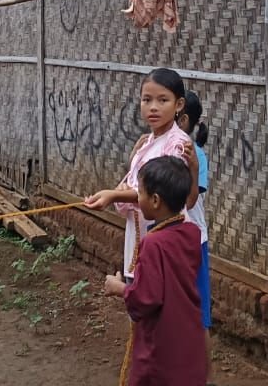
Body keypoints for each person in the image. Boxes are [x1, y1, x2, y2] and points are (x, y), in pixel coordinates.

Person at [85, 68, 198, 279]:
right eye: (146, 100)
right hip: (141, 234)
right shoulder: (148, 142)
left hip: (164, 240)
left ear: (179, 105)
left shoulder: (178, 144)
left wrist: (115, 195)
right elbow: (136, 183)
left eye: (162, 100)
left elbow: (161, 192)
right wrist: (120, 189)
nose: (153, 107)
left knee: (154, 298)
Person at [104, 156, 206, 386]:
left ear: (156, 200)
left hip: (162, 341)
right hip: (188, 335)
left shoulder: (153, 244)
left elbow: (146, 298)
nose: (138, 199)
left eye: (140, 193)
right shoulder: (191, 233)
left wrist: (120, 288)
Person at [179, 91, 213, 384]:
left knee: (199, 315)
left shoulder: (196, 155)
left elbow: (189, 202)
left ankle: (202, 377)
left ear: (184, 118)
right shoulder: (163, 147)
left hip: (192, 241)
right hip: (167, 237)